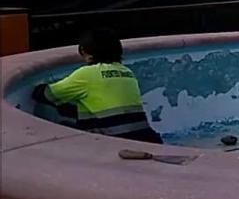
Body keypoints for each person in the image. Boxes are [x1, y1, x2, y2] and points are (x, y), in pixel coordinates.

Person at [32, 28, 163, 144]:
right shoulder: (127, 72)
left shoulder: (86, 74)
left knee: (62, 126)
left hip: (114, 140)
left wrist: (40, 89)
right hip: (147, 139)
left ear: (84, 51)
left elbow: (47, 94)